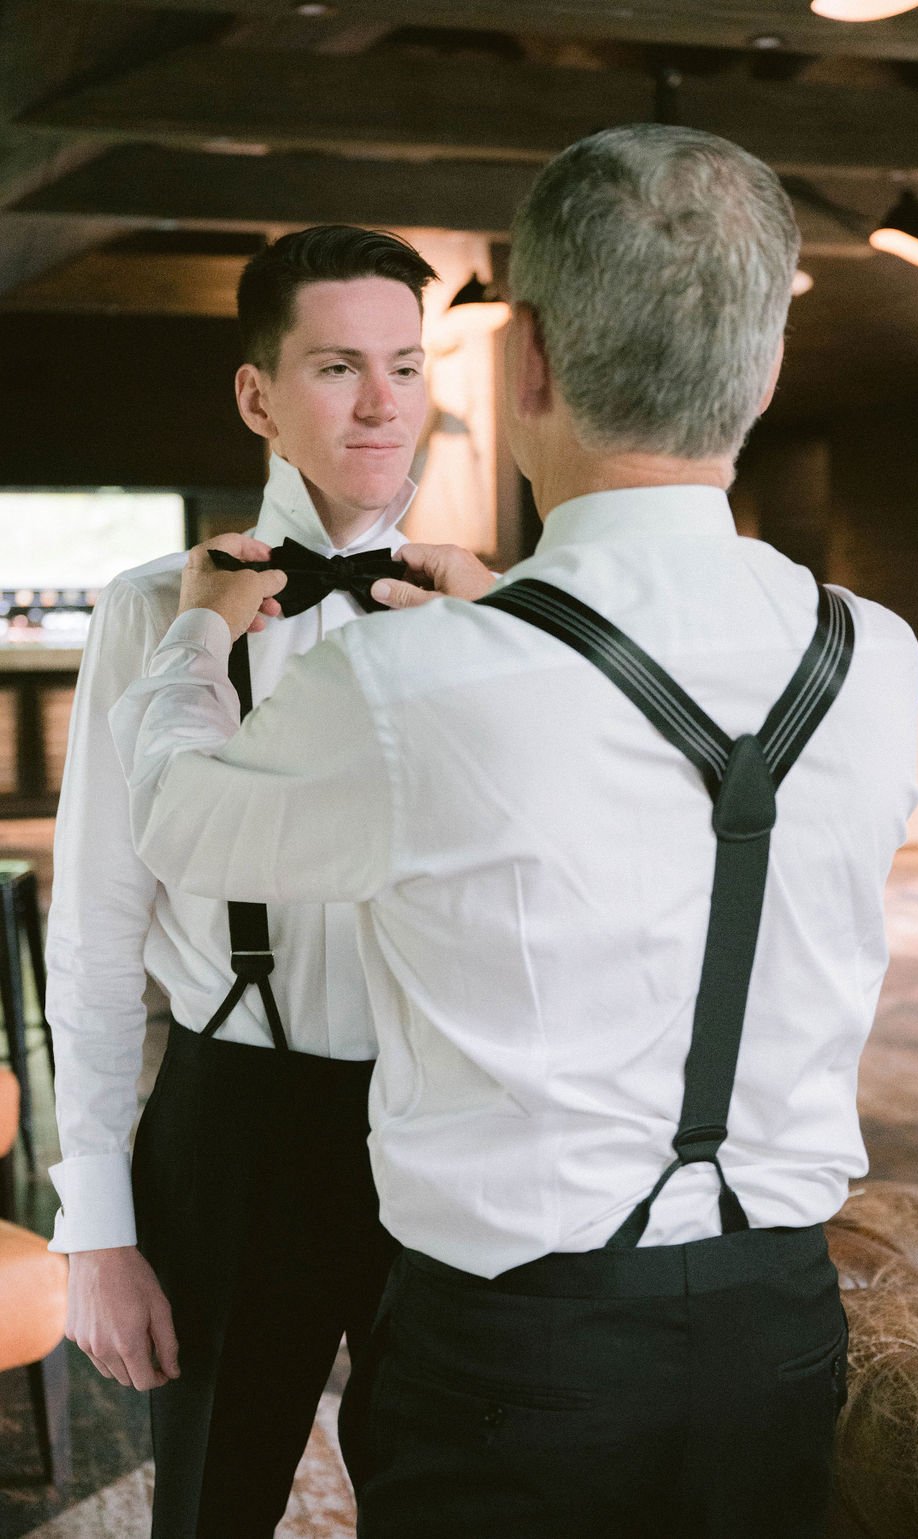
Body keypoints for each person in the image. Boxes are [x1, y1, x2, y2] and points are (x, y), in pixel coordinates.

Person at [110, 125, 918, 1539]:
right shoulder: (876, 653)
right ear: (766, 366)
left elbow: (181, 822)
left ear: (523, 357)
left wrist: (190, 641)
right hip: (781, 1330)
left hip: (520, 1360)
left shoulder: (425, 680)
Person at [45, 223, 437, 1538]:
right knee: (211, 1501)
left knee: (450, 1495)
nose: (385, 402)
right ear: (258, 395)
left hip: (444, 1115)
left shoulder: (493, 611)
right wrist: (94, 1226)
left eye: (406, 363)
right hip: (237, 1124)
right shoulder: (150, 608)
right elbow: (97, 923)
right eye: (340, 366)